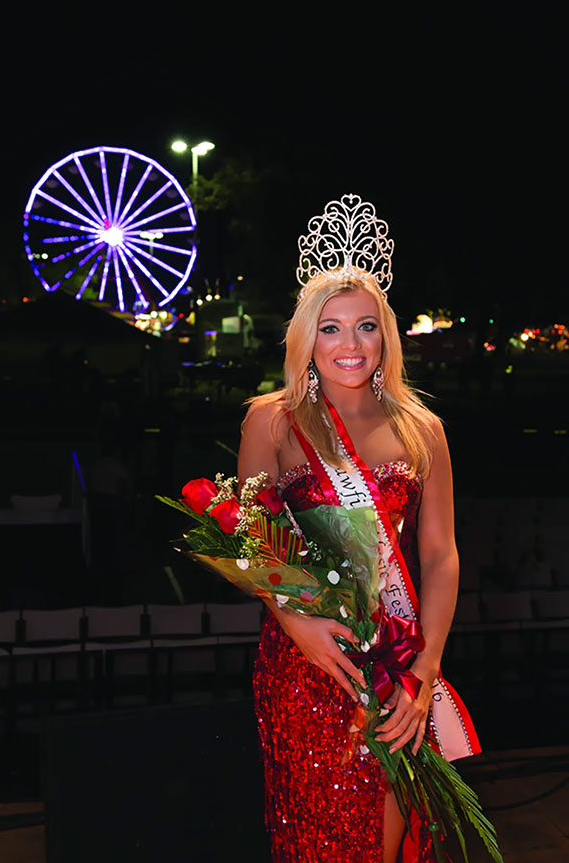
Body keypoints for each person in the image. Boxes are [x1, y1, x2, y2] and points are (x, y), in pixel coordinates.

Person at [237, 195, 479, 862]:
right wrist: (297, 624)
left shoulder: (422, 429)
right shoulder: (272, 420)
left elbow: (440, 553)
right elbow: (248, 535)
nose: (350, 345)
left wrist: (426, 668)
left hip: (395, 665)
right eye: (332, 327)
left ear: (386, 337)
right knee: (314, 833)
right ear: (306, 337)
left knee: (385, 834)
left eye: (366, 327)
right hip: (303, 659)